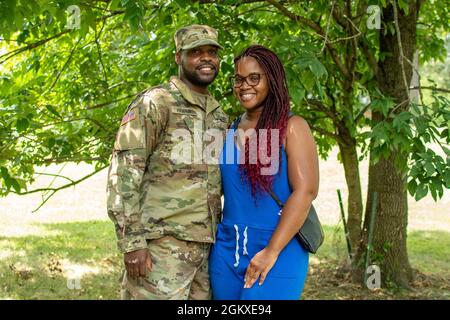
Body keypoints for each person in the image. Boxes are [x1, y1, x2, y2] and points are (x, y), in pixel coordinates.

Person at [106, 24, 229, 300]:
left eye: (211, 52)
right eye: (195, 52)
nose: (206, 58)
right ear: (178, 57)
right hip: (160, 246)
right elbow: (124, 173)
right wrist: (132, 242)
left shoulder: (219, 114)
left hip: (206, 250)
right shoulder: (157, 103)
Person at [209, 45, 319, 300]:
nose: (244, 86)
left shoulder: (292, 127)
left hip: (279, 247)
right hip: (227, 248)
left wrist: (271, 250)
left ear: (272, 79)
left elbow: (306, 192)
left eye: (254, 78)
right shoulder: (228, 129)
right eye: (238, 79)